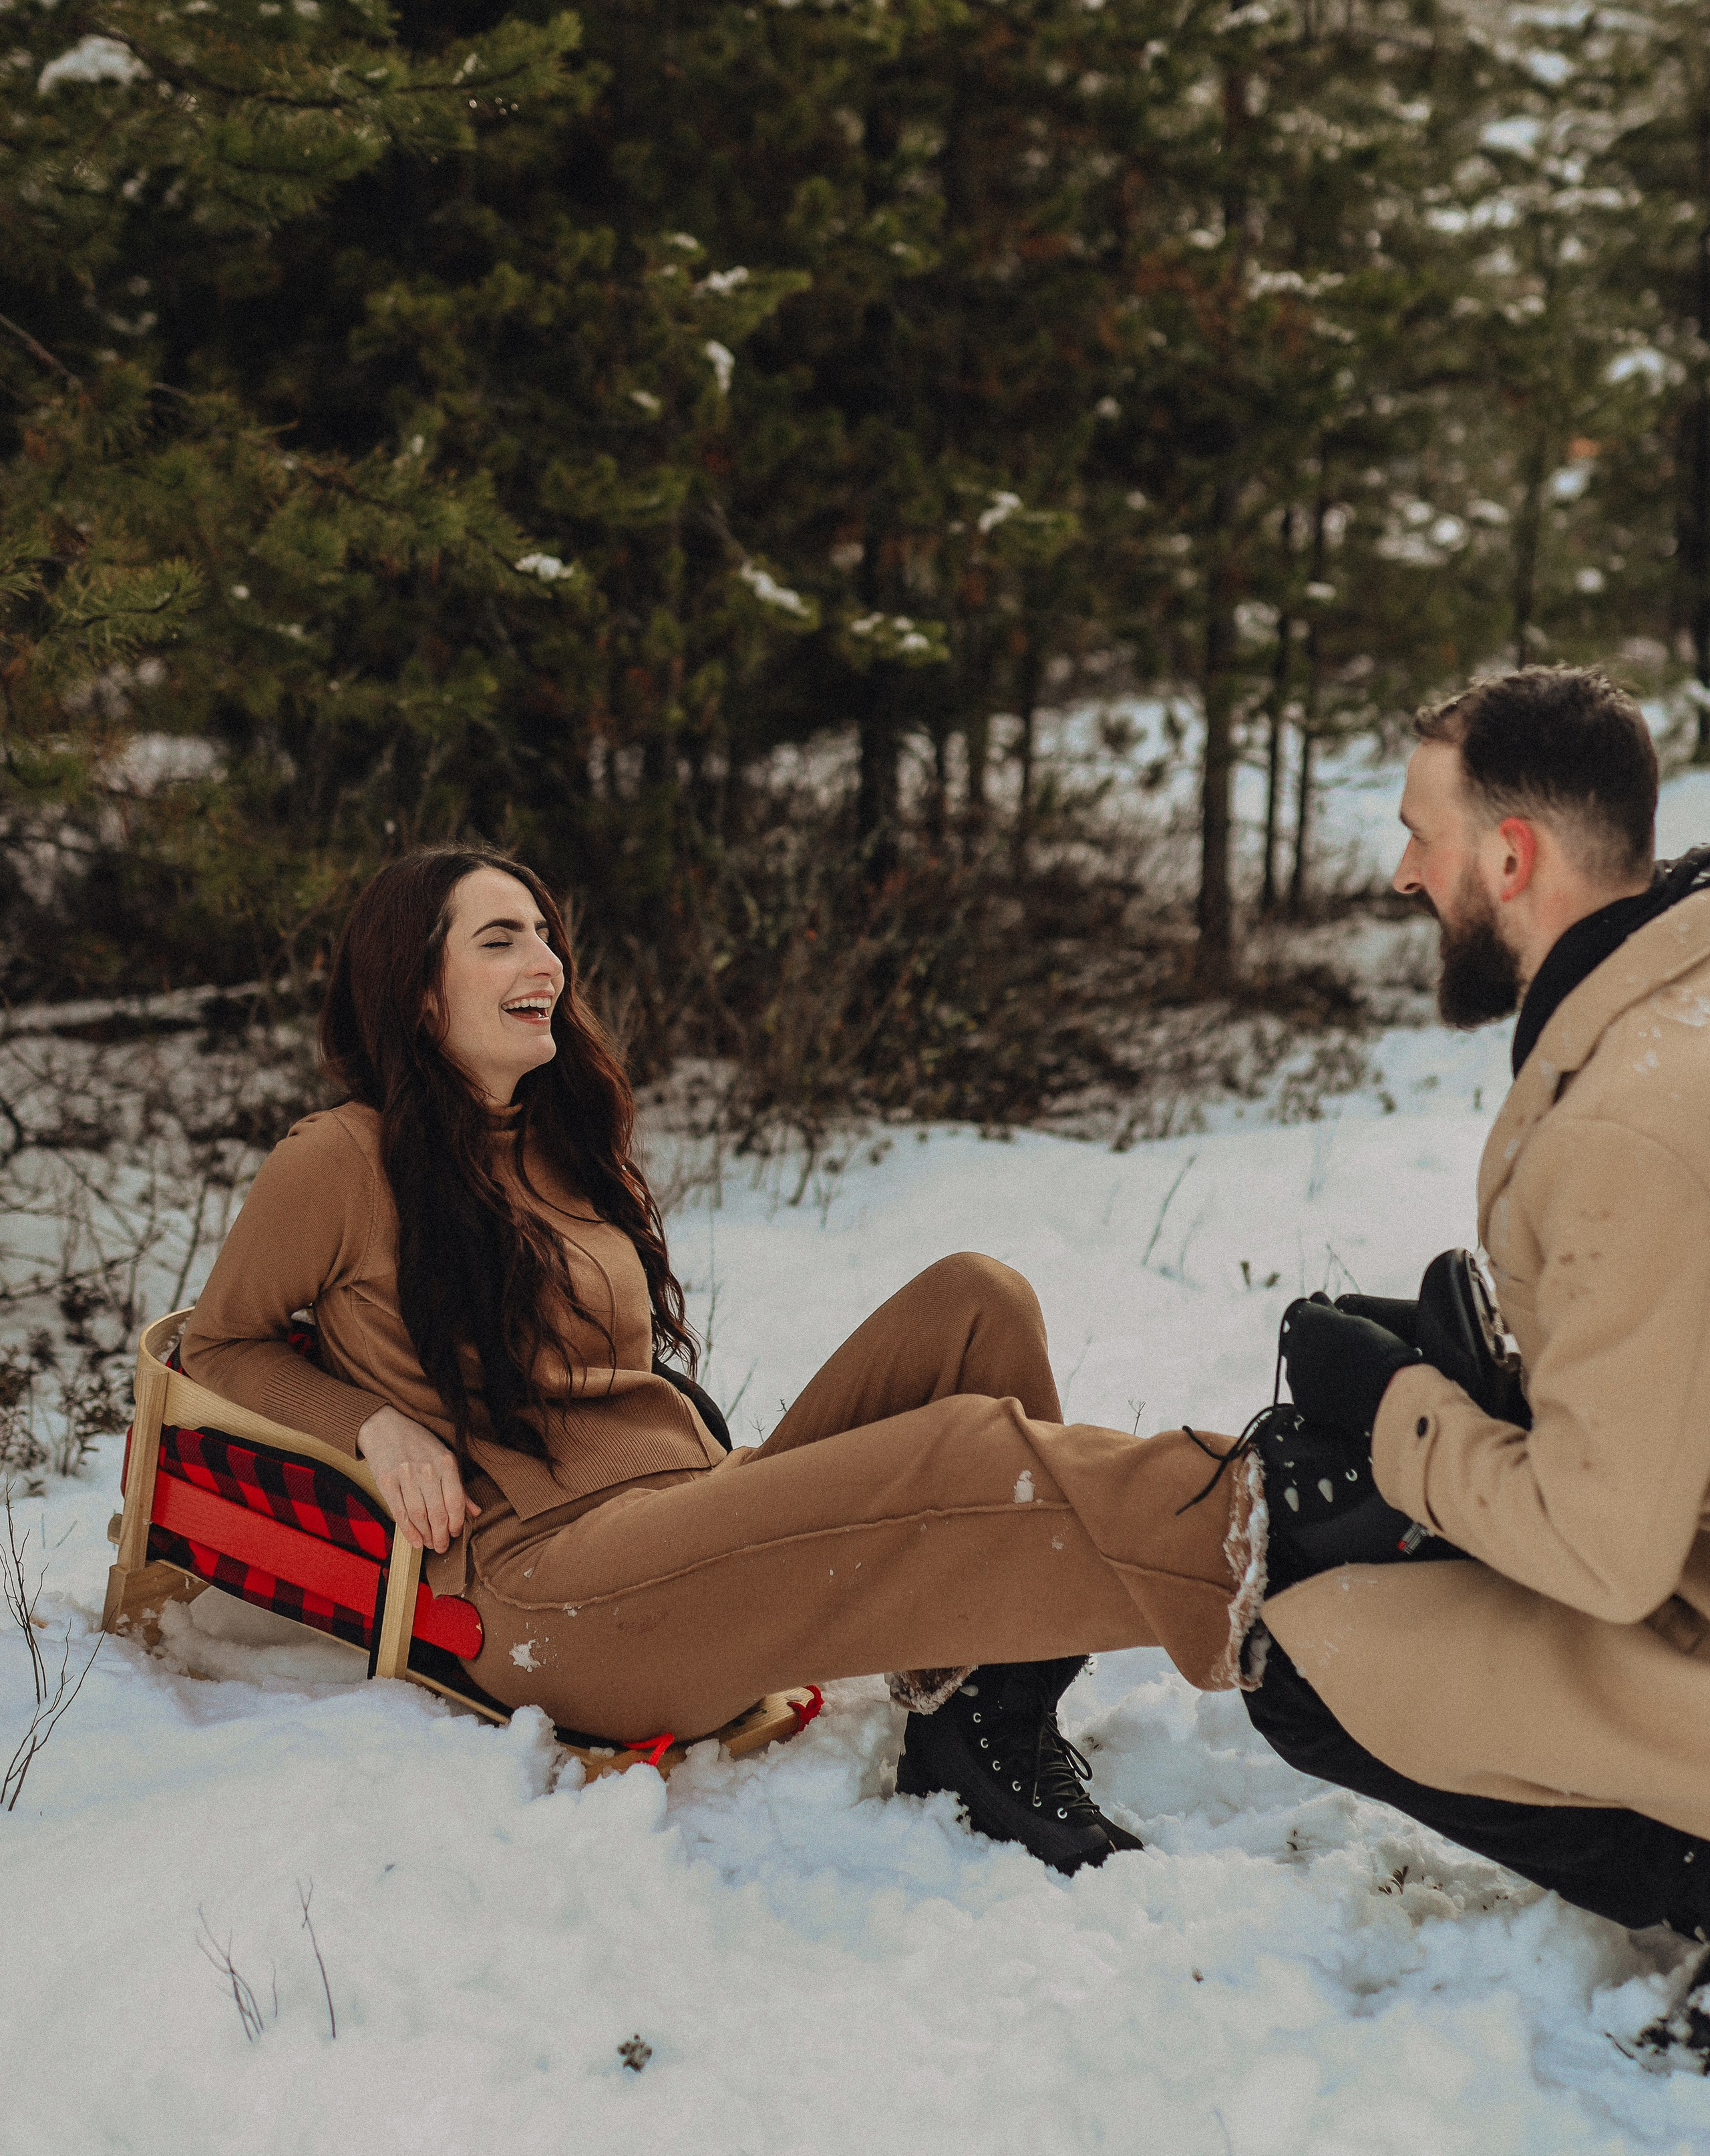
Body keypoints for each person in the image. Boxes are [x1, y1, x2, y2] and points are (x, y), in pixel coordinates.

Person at [180, 846, 1273, 1876]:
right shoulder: (339, 1159)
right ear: (418, 991)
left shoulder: (556, 1140)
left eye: (546, 934)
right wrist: (374, 1426)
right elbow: (215, 1344)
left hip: (688, 1515)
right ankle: (1270, 1532)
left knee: (977, 1301)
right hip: (556, 1595)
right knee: (957, 1451)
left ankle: (985, 1717)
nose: (545, 962)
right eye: (500, 940)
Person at [1244, 665, 1710, 1956]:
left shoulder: (1630, 1123)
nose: (1405, 875)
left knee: (1305, 1647)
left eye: (1421, 836)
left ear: (1511, 856)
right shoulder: (1680, 1006)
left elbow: (1607, 1553)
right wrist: (1496, 1386)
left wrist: (1403, 1408)